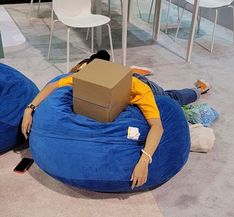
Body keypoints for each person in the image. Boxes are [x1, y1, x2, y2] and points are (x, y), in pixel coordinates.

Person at [22, 50, 211, 189]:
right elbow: (53, 86)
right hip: (117, 77)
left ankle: (198, 89)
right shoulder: (83, 78)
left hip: (147, 86)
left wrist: (144, 161)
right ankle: (128, 69)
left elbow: (158, 127)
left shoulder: (141, 91)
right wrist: (29, 110)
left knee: (172, 98)